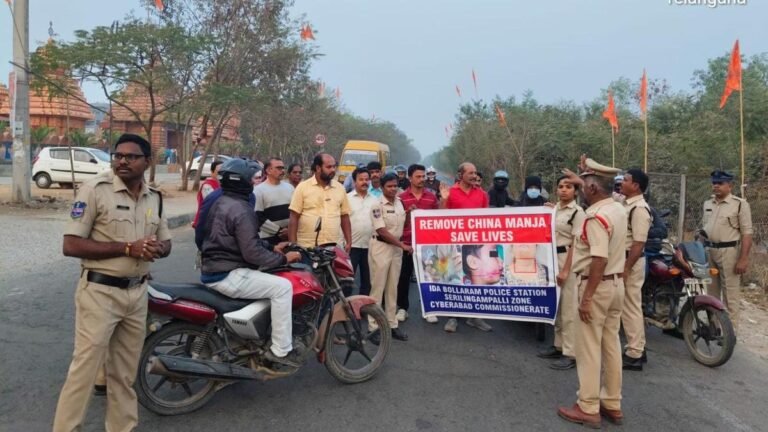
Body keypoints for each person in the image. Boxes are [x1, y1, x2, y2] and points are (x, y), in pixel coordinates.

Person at [53, 134, 172, 432]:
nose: (122, 161)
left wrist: (158, 249)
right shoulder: (95, 190)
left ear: (148, 161)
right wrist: (127, 248)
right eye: (117, 155)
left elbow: (166, 242)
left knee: (123, 373)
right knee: (85, 369)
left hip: (137, 293)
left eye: (131, 157)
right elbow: (71, 245)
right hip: (100, 293)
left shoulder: (154, 197)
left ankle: (122, 427)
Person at [197, 158, 303, 368]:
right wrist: (283, 258)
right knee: (283, 287)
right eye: (253, 179)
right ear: (242, 182)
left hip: (214, 265)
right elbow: (252, 254)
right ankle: (281, 350)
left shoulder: (220, 201)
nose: (256, 183)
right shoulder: (242, 209)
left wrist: (270, 247)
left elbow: (240, 240)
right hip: (227, 272)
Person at [557, 158, 627, 429]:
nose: (581, 189)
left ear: (594, 187)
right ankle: (612, 402)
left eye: (585, 185)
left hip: (595, 287)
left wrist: (586, 297)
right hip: (616, 285)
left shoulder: (595, 217)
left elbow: (598, 258)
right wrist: (580, 177)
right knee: (611, 346)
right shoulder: (618, 208)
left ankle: (588, 406)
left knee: (588, 348)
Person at [538, 175, 586, 370]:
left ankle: (570, 353)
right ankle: (558, 345)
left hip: (567, 260)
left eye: (568, 187)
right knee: (556, 306)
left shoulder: (578, 213)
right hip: (550, 260)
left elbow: (577, 243)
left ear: (575, 191)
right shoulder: (553, 209)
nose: (564, 190)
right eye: (560, 186)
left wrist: (566, 270)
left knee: (568, 309)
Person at [438, 162, 492, 332]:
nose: (474, 176)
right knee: (454, 278)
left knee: (475, 279)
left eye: (475, 173)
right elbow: (440, 218)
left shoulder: (482, 194)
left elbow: (486, 218)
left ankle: (475, 316)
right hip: (454, 244)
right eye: (470, 173)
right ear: (460, 175)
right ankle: (453, 316)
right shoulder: (450, 193)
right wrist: (444, 200)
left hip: (474, 244)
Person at [701, 170, 753, 335]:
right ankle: (714, 327)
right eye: (714, 183)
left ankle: (730, 334)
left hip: (729, 252)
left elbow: (747, 233)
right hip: (710, 251)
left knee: (731, 295)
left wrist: (743, 259)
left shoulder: (739, 204)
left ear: (730, 186)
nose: (716, 186)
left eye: (720, 183)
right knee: (711, 292)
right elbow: (704, 230)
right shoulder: (708, 203)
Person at [368, 173, 410, 343]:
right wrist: (402, 245)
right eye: (389, 186)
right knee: (378, 288)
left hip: (396, 250)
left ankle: (392, 324)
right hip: (381, 248)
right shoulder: (376, 205)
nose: (393, 189)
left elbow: (401, 225)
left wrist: (410, 213)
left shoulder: (400, 203)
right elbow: (382, 231)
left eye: (395, 186)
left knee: (393, 287)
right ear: (382, 187)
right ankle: (374, 327)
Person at [396, 164, 439, 322]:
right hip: (407, 243)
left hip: (426, 245)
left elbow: (436, 220)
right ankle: (402, 308)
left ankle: (429, 309)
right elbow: (398, 222)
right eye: (418, 176)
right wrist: (408, 214)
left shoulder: (432, 197)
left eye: (423, 176)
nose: (422, 179)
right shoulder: (401, 198)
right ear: (410, 178)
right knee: (404, 277)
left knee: (428, 276)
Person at [620, 168, 652, 371]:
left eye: (625, 180)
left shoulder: (639, 209)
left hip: (630, 261)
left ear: (636, 186)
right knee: (628, 306)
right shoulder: (626, 204)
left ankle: (634, 354)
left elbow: (638, 243)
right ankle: (638, 346)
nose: (621, 182)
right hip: (625, 260)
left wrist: (625, 268)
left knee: (630, 307)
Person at [288, 153, 352, 251]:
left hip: (334, 246)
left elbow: (344, 216)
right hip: (307, 247)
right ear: (318, 168)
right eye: (329, 167)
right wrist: (292, 245)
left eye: (334, 167)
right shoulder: (303, 187)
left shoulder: (340, 188)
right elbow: (294, 217)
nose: (333, 170)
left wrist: (349, 241)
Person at [347, 167, 377, 296]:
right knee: (347, 280)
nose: (365, 182)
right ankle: (345, 311)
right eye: (361, 179)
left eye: (367, 179)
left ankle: (363, 309)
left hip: (370, 246)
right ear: (354, 182)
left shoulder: (375, 200)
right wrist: (342, 244)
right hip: (350, 247)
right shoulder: (346, 199)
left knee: (368, 280)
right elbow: (340, 223)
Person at [254, 157, 295, 244]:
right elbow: (258, 217)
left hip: (289, 236)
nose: (282, 171)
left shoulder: (290, 188)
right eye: (279, 168)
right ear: (268, 170)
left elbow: (295, 212)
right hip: (268, 239)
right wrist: (279, 231)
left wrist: (289, 230)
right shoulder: (258, 191)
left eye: (283, 168)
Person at [192, 160, 223, 228]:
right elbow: (213, 204)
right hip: (205, 221)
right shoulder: (207, 185)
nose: (221, 174)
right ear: (212, 172)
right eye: (219, 172)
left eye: (223, 172)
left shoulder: (222, 184)